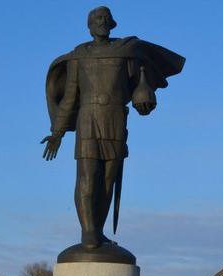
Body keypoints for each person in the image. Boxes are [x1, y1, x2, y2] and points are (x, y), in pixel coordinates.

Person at [42, 6, 184, 249]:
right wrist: (58, 132)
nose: (102, 22)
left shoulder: (126, 52)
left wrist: (144, 99)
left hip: (116, 119)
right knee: (88, 176)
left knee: (108, 180)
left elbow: (138, 91)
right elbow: (69, 98)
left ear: (112, 23)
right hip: (88, 119)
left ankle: (97, 229)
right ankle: (88, 233)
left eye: (106, 19)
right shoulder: (79, 56)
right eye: (97, 19)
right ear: (89, 25)